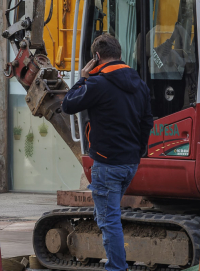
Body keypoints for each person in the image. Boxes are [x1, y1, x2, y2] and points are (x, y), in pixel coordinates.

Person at [61, 34, 154, 271]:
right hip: (129, 164)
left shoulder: (97, 84)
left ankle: (116, 268)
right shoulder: (140, 84)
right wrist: (137, 152)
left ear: (96, 56)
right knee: (108, 215)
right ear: (119, 54)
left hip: (107, 164)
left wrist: (82, 78)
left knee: (109, 220)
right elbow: (147, 122)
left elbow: (68, 104)